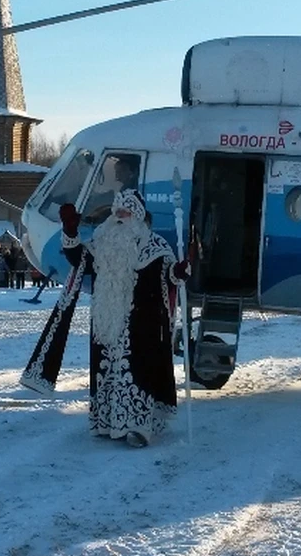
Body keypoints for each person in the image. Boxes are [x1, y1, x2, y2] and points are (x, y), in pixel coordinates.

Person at [19, 189, 190, 448]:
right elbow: (79, 260)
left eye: (126, 211)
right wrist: (70, 232)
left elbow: (169, 279)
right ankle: (107, 422)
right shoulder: (102, 239)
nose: (120, 216)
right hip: (105, 321)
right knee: (107, 372)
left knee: (136, 374)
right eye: (117, 211)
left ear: (138, 214)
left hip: (140, 324)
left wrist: (179, 271)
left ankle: (139, 427)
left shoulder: (154, 246)